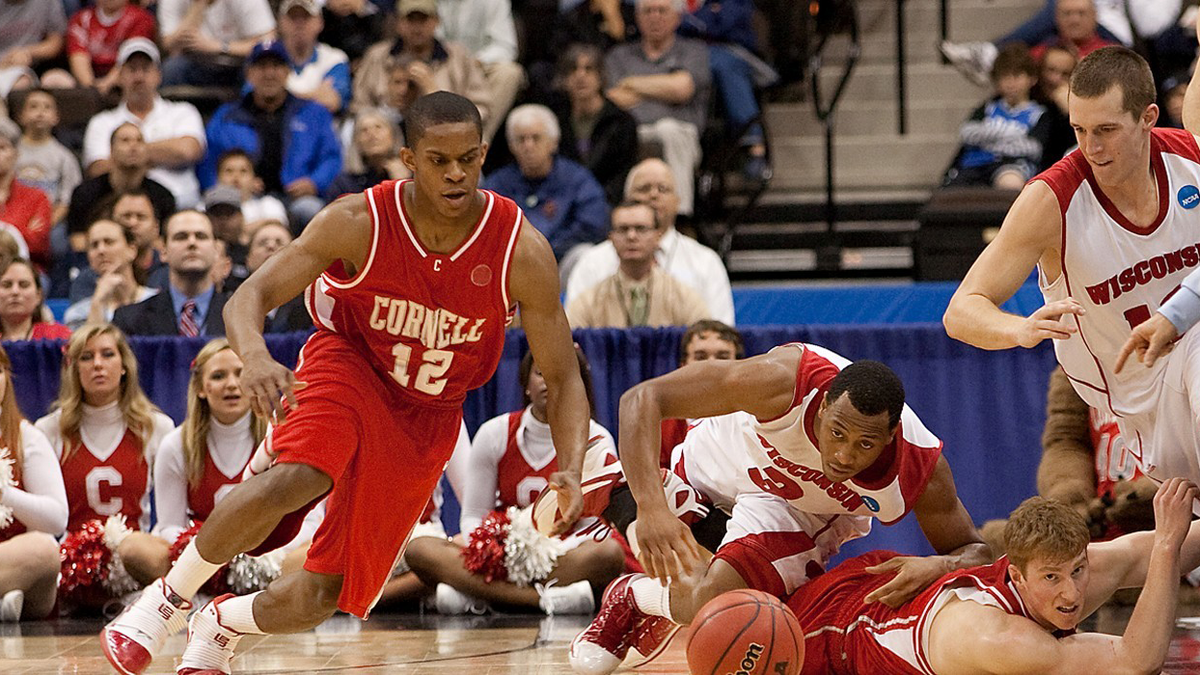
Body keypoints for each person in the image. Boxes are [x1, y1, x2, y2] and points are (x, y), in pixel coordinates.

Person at [102, 91, 591, 675]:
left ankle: (222, 623)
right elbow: (248, 297)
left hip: (429, 411)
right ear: (408, 158)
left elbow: (562, 376)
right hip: (351, 364)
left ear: (485, 153)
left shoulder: (520, 248)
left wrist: (572, 459)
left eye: (469, 158)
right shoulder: (358, 220)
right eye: (439, 160)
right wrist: (255, 356)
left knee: (323, 595)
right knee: (305, 471)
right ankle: (168, 600)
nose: (456, 173)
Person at [570, 346, 988, 674]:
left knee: (722, 605)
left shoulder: (918, 467)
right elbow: (642, 397)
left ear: (891, 435)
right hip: (722, 457)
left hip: (793, 509)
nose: (842, 456)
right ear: (822, 406)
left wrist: (939, 564)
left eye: (865, 444)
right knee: (650, 510)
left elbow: (977, 551)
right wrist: (651, 508)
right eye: (836, 432)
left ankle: (633, 596)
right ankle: (628, 491)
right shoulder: (785, 379)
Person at [943, 44, 1200, 504]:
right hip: (1139, 395)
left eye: (1106, 130)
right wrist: (1018, 328)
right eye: (1079, 129)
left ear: (1148, 117)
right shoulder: (1052, 199)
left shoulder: (1190, 158)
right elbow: (961, 310)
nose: (1091, 148)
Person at [786, 478, 1199, 674]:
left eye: (1077, 570)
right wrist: (1166, 543)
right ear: (1016, 576)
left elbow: (1142, 553)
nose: (1071, 592)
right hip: (831, 638)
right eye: (1052, 579)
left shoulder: (1051, 566)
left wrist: (1169, 536)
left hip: (894, 598)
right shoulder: (1004, 640)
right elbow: (1136, 663)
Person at [405, 348, 626, 616]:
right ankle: (544, 601)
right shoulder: (494, 433)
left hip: (562, 557)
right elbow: (474, 515)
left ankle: (480, 595)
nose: (549, 382)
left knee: (609, 555)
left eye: (562, 376)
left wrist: (543, 553)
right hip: (503, 555)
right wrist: (494, 552)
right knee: (420, 549)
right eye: (541, 373)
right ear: (526, 384)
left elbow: (595, 525)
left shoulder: (596, 438)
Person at [117, 339, 311, 585]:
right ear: (201, 388)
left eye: (241, 374)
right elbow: (169, 526)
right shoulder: (176, 444)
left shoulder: (279, 437)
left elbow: (311, 520)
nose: (231, 384)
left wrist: (263, 555)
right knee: (135, 548)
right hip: (202, 560)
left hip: (270, 558)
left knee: (316, 554)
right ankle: (223, 594)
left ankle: (245, 591)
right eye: (219, 376)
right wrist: (215, 553)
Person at [35, 323, 175, 535]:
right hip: (73, 560)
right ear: (74, 368)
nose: (97, 364)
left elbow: (171, 520)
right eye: (86, 357)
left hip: (135, 558)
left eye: (108, 354)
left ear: (124, 366)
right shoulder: (49, 429)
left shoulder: (157, 427)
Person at [198, 39, 343, 233]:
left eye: (276, 66)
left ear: (288, 71)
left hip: (296, 198)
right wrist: (228, 190)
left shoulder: (313, 113)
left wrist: (314, 183)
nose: (269, 73)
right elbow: (208, 162)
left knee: (311, 211)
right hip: (241, 199)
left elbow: (331, 157)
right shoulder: (227, 116)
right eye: (261, 66)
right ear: (249, 74)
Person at [566, 158, 735, 324]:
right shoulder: (592, 262)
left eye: (663, 189)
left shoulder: (706, 262)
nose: (654, 195)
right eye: (644, 188)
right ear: (627, 197)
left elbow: (721, 333)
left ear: (678, 202)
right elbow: (572, 335)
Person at [605, 0, 711, 216]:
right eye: (648, 11)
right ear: (637, 17)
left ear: (677, 17)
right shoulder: (618, 56)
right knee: (620, 138)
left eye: (662, 10)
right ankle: (627, 218)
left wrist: (632, 83)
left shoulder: (694, 52)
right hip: (634, 134)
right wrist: (664, 87)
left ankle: (679, 216)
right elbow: (615, 99)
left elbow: (682, 88)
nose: (655, 17)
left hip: (680, 137)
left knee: (669, 130)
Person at [81, 38, 206, 210]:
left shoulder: (183, 112)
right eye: (132, 70)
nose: (139, 77)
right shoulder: (102, 122)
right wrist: (163, 153)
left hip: (181, 206)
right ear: (119, 76)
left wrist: (128, 155)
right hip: (119, 207)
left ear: (158, 75)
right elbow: (98, 169)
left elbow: (187, 151)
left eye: (145, 69)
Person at [483, 104, 609, 269]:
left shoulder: (576, 179)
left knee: (584, 254)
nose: (528, 146)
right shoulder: (498, 183)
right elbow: (487, 229)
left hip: (561, 261)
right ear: (512, 146)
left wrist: (547, 249)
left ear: (553, 142)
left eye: (536, 138)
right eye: (521, 139)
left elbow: (593, 224)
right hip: (513, 266)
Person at [0, 342, 67, 622]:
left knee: (43, 549)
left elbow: (56, 520)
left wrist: (5, 494)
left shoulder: (26, 436)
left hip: (15, 562)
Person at [566, 200, 710, 328]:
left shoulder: (683, 297)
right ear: (611, 238)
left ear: (658, 236)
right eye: (623, 229)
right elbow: (568, 344)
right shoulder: (589, 302)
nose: (631, 236)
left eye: (641, 228)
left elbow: (707, 339)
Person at [353, 0, 491, 122]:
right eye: (410, 19)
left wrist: (436, 95)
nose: (417, 27)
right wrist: (386, 109)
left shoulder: (458, 56)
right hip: (388, 139)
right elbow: (358, 107)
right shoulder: (376, 55)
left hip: (445, 136)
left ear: (436, 21)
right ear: (398, 22)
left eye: (423, 19)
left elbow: (481, 109)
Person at [945, 45, 1051, 190]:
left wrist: (987, 139)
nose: (1011, 83)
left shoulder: (1039, 114)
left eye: (1017, 76)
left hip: (1012, 165)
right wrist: (1010, 135)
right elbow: (967, 133)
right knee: (952, 191)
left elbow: (1033, 148)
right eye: (1005, 77)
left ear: (1032, 79)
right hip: (975, 164)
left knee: (1011, 183)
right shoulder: (987, 108)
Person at [112, 210, 226, 338]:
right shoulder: (130, 319)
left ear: (216, 250)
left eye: (201, 236)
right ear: (163, 251)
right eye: (181, 237)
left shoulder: (241, 317)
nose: (192, 243)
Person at [67, 123, 176, 253]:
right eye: (125, 141)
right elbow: (78, 241)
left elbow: (165, 242)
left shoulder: (162, 195)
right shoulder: (86, 193)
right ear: (111, 150)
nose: (133, 146)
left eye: (139, 140)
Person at [553, 44, 638, 206]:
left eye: (588, 69)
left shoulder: (622, 122)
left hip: (607, 203)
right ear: (564, 79)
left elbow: (622, 175)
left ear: (600, 76)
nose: (580, 76)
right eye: (573, 69)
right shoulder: (555, 121)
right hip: (564, 204)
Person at [434, 0, 524, 143]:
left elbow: (506, 47)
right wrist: (456, 61)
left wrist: (476, 61)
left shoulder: (495, 2)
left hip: (482, 65)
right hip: (444, 64)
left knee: (510, 73)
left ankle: (477, 143)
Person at [63, 218, 157, 330]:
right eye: (94, 245)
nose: (101, 250)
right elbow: (88, 346)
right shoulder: (78, 313)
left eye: (109, 242)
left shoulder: (156, 301)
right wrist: (98, 302)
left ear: (131, 250)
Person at [157, 0, 276, 87]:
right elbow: (170, 45)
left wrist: (217, 46)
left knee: (257, 69)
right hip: (195, 63)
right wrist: (199, 5)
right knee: (171, 69)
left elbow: (268, 44)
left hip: (238, 62)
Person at [14, 88, 81, 227]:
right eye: (33, 106)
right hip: (11, 217)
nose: (40, 112)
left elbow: (67, 201)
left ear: (56, 117)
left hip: (49, 221)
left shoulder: (64, 157)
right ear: (21, 116)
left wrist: (46, 224)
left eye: (47, 107)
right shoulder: (10, 153)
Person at [277, 0, 352, 115]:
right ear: (280, 23)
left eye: (306, 18)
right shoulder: (266, 58)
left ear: (320, 23)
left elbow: (332, 102)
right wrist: (315, 95)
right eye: (293, 18)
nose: (299, 24)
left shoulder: (335, 59)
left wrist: (279, 95)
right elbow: (254, 99)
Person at [65, 0, 155, 96]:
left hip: (122, 78)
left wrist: (107, 83)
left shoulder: (140, 18)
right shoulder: (81, 19)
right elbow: (78, 55)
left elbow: (131, 56)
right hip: (89, 79)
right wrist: (91, 85)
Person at [0, 116, 52, 273]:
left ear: (16, 154)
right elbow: (28, 239)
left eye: (2, 148)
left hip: (27, 272)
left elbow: (38, 245)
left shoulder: (37, 197)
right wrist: (21, 231)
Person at [241, 221, 311, 333]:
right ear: (248, 259)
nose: (271, 246)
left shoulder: (308, 306)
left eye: (279, 243)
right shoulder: (233, 305)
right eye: (262, 243)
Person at [326, 108, 410, 200]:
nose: (372, 135)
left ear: (394, 135)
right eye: (364, 130)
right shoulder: (344, 184)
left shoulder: (414, 174)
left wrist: (404, 184)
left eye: (378, 127)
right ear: (356, 141)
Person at [213, 149, 289, 232]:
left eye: (243, 171)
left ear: (254, 178)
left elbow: (278, 226)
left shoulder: (268, 204)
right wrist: (264, 223)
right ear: (217, 178)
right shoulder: (203, 206)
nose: (236, 177)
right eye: (229, 171)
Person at [0, 258, 69, 340]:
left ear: (38, 295)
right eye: (6, 285)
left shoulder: (59, 336)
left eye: (24, 285)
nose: (15, 292)